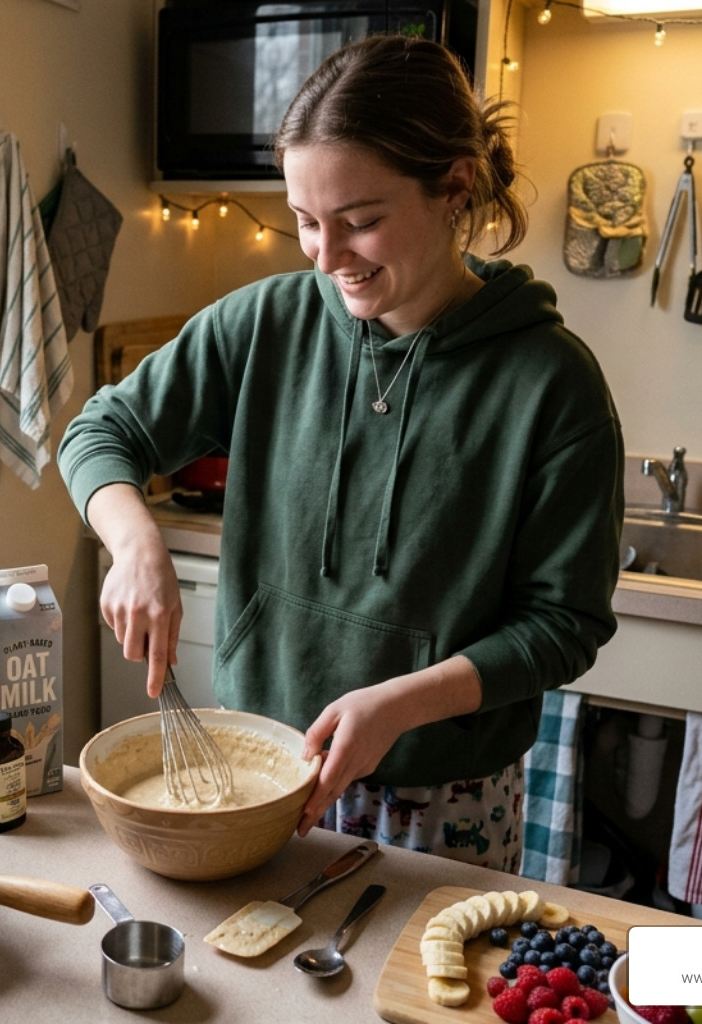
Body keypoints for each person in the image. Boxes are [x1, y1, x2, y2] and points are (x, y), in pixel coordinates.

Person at [57, 35, 622, 872]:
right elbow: (101, 432)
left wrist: (401, 704)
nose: (325, 257)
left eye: (360, 223)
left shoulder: (551, 383)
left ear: (454, 185)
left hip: (446, 799)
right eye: (305, 222)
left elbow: (563, 625)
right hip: (258, 771)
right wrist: (135, 545)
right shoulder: (265, 323)